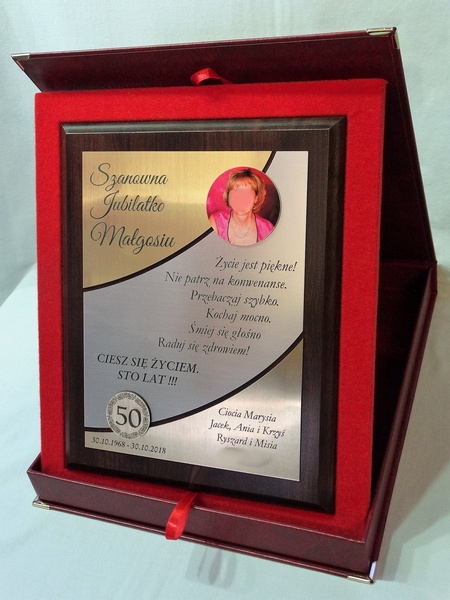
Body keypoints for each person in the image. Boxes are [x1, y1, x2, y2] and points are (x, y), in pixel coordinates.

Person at [209, 169, 274, 245]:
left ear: (256, 198)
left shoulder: (267, 229)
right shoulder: (216, 222)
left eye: (247, 193)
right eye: (236, 192)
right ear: (228, 196)